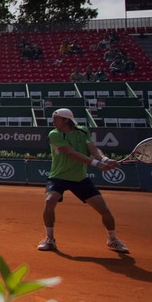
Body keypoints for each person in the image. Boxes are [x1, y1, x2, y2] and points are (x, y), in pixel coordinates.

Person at [38, 108, 129, 254]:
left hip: (80, 178)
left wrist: (104, 159)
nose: (53, 121)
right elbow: (71, 153)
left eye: (56, 119)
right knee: (50, 201)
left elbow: (93, 149)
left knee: (104, 210)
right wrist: (97, 164)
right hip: (58, 176)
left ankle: (112, 240)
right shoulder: (54, 134)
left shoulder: (82, 131)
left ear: (66, 120)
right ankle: (49, 239)